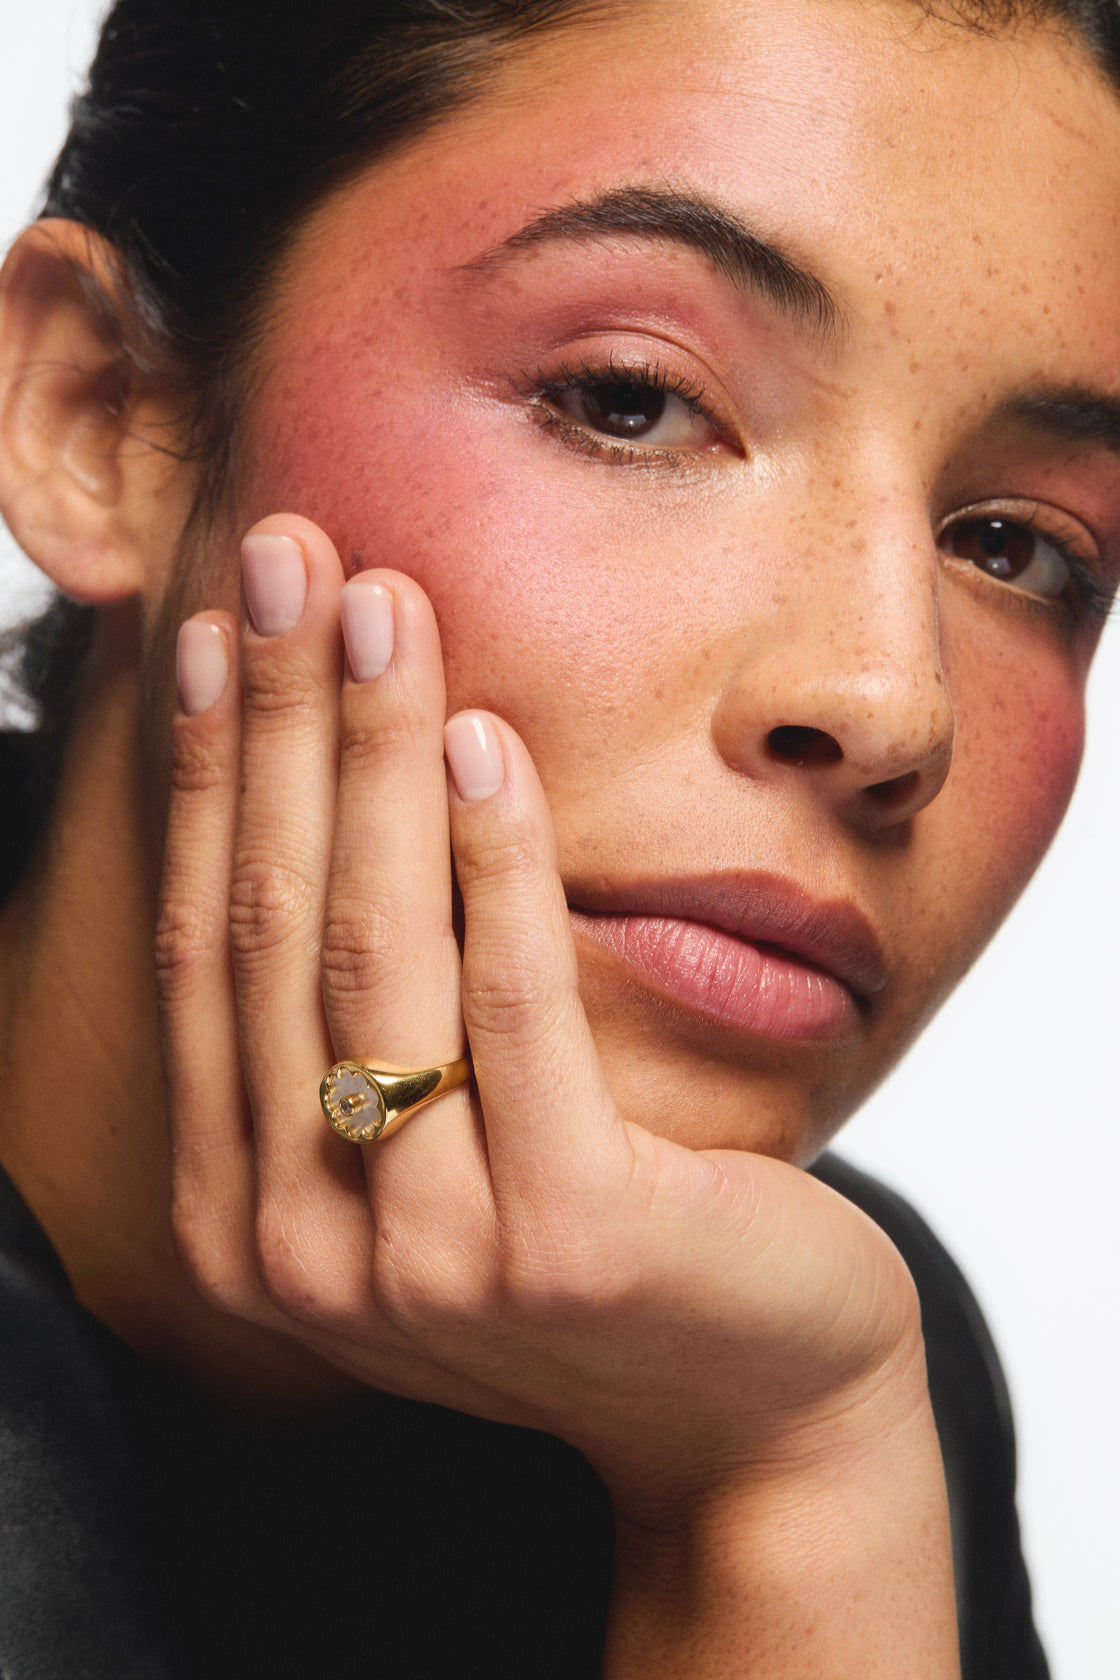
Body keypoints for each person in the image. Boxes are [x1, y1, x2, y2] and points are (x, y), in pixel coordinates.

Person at [0, 0, 1117, 1673]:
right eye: (630, 401)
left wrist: (792, 1488)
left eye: (1020, 548)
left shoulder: (804, 1338)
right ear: (106, 418)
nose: (896, 701)